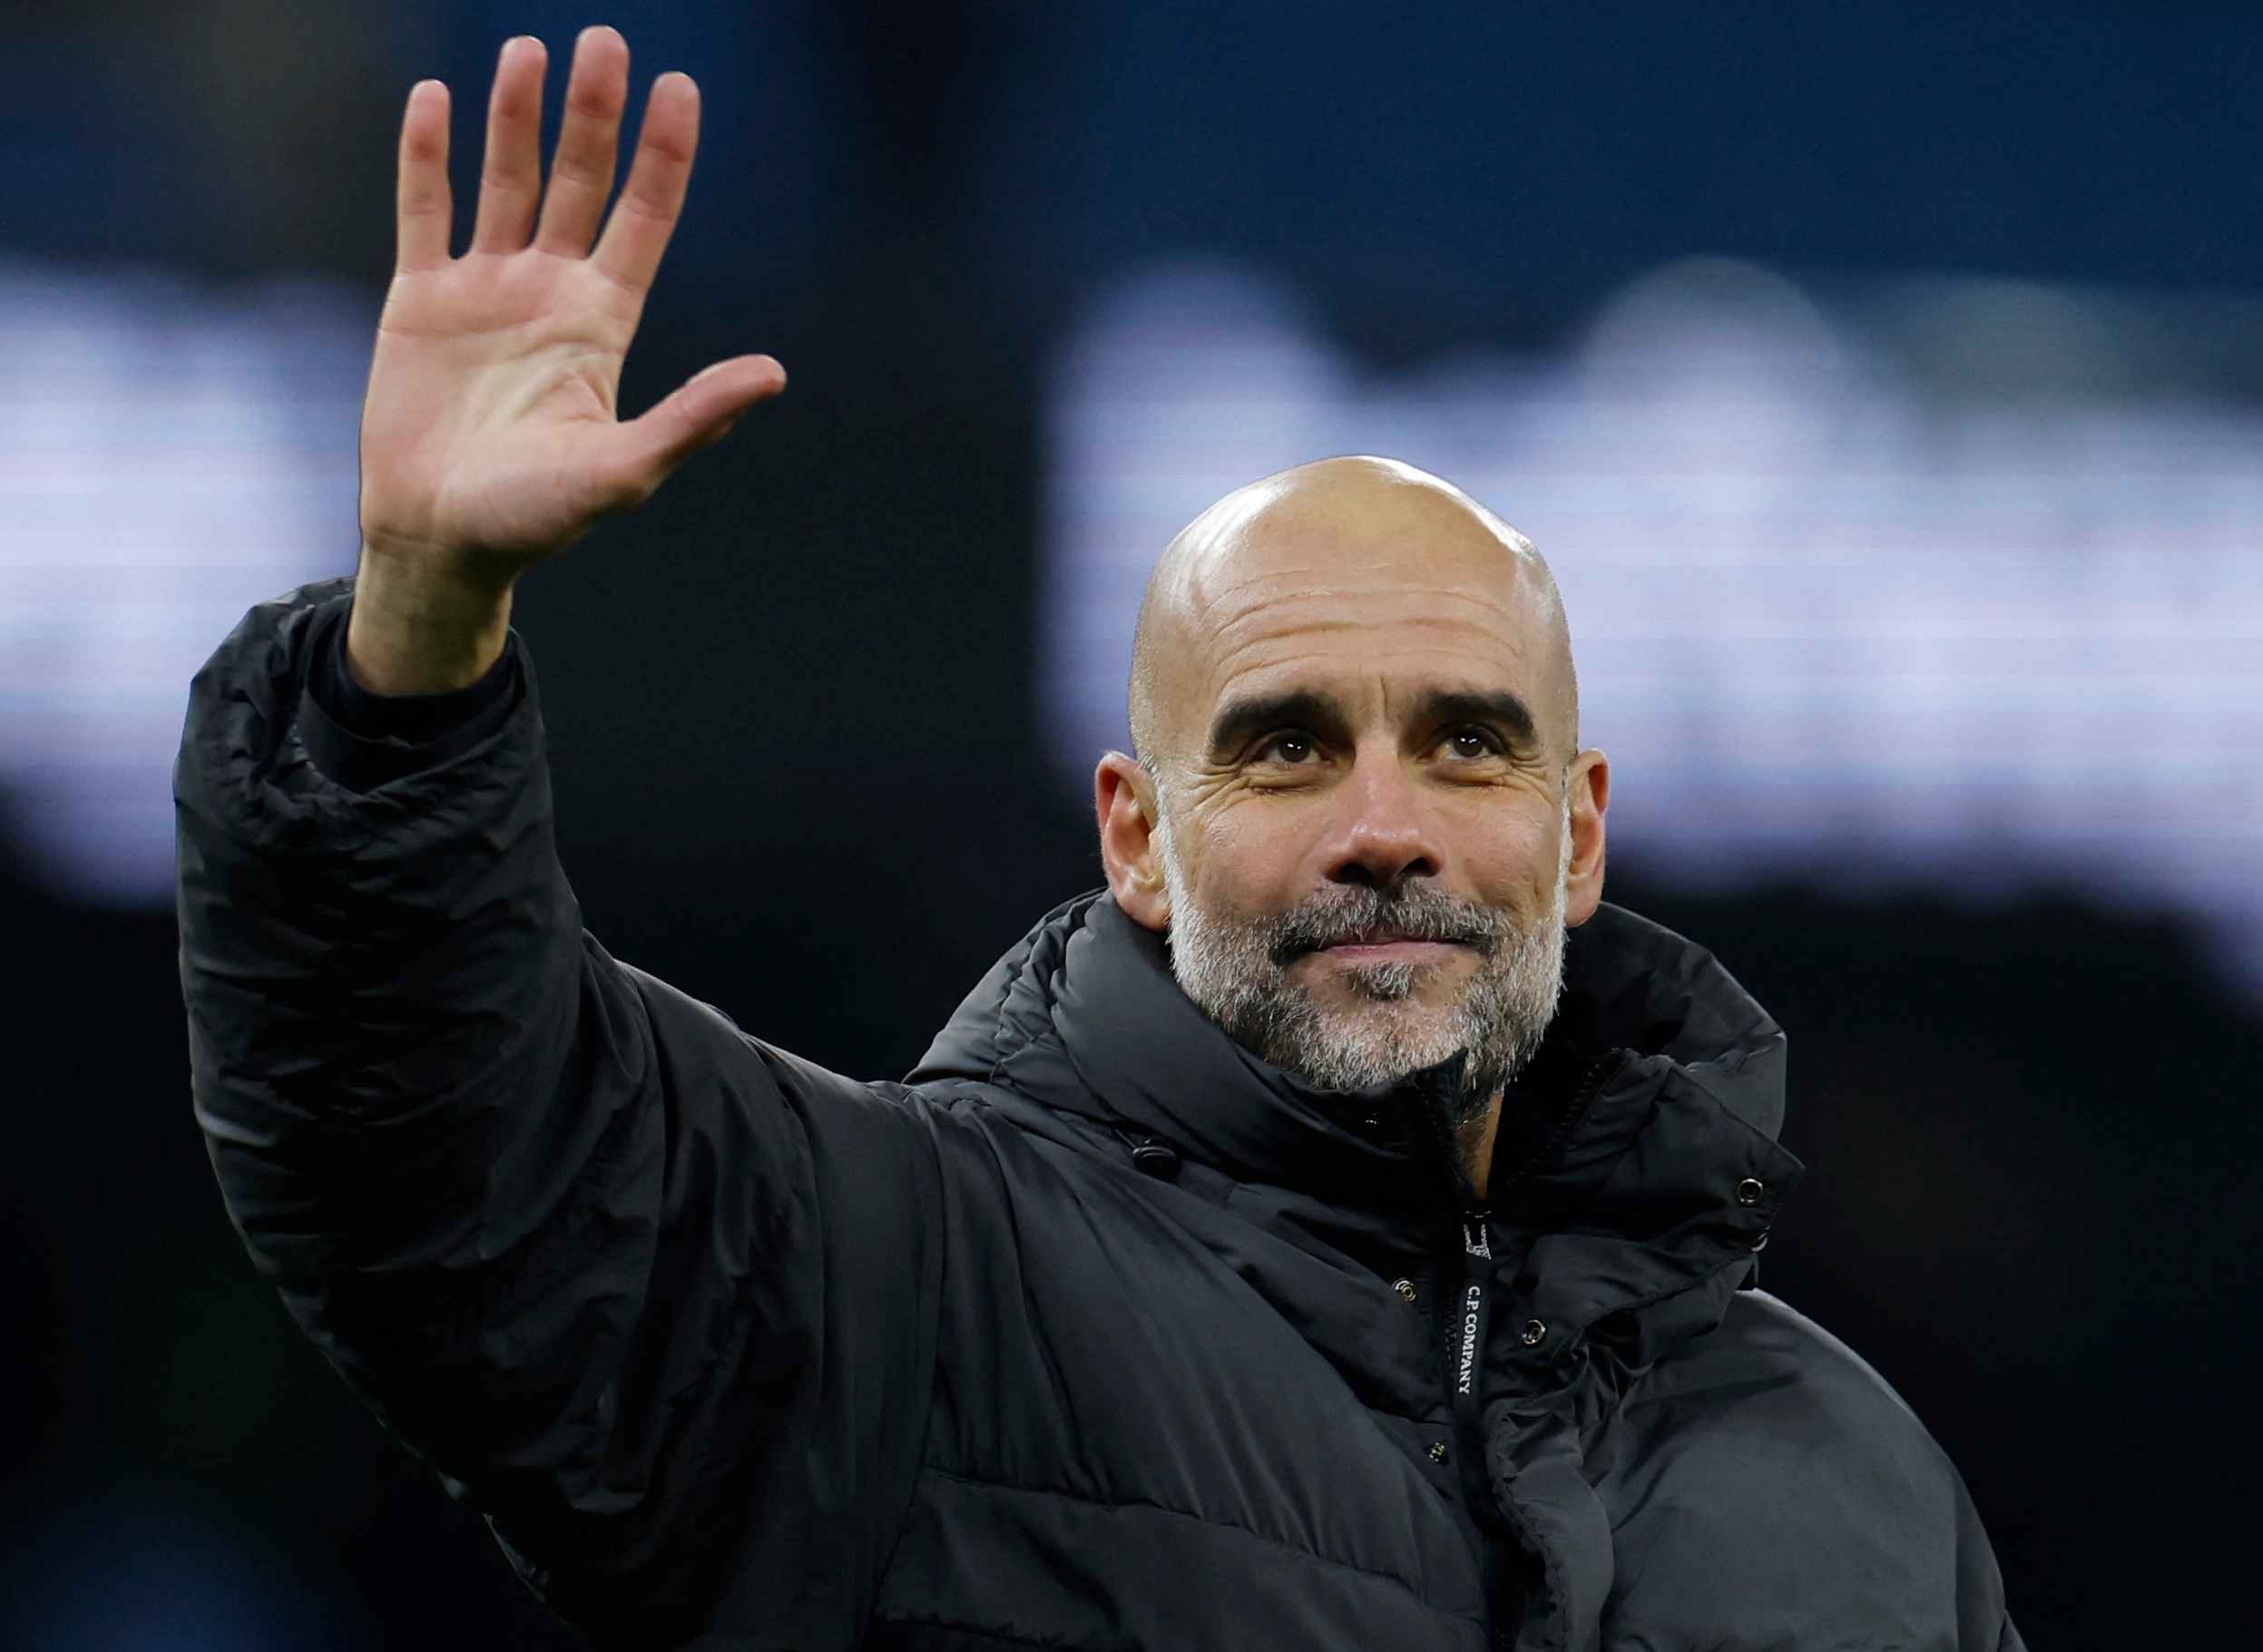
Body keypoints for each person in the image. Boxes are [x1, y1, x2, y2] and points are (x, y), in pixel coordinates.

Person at [177, 24, 2024, 1651]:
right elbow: (433, 1146)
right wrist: (411, 646)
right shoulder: (913, 1280)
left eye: (1465, 745)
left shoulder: (1842, 1463)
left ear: (1578, 831)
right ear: (1136, 839)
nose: (1385, 828)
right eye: (1288, 749)